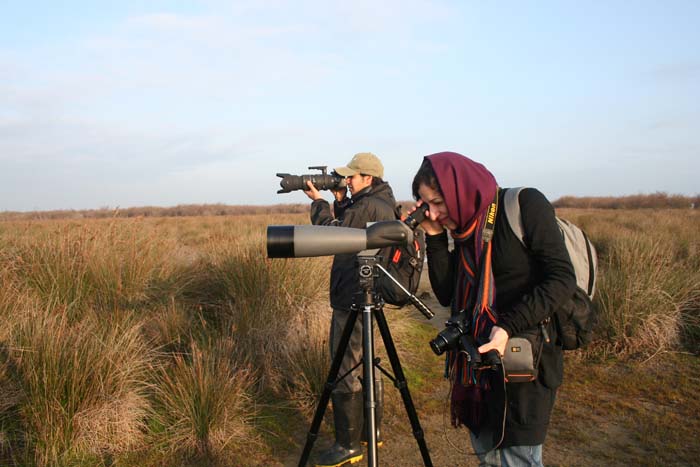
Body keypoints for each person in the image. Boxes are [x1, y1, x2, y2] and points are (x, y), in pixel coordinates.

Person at [411, 152, 576, 467]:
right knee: (490, 458)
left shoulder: (525, 205)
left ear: (461, 190)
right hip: (477, 365)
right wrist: (434, 235)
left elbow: (562, 278)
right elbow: (446, 294)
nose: (432, 211)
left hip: (523, 361)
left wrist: (507, 326)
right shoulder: (463, 229)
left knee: (517, 458)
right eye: (424, 203)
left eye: (438, 202)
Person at [303, 152, 398, 467]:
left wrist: (318, 202)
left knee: (345, 366)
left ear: (368, 178)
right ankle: (372, 431)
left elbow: (333, 236)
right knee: (365, 361)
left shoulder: (367, 205)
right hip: (367, 293)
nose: (346, 181)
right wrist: (342, 199)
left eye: (352, 178)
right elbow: (356, 232)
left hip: (352, 296)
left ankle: (347, 445)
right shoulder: (382, 203)